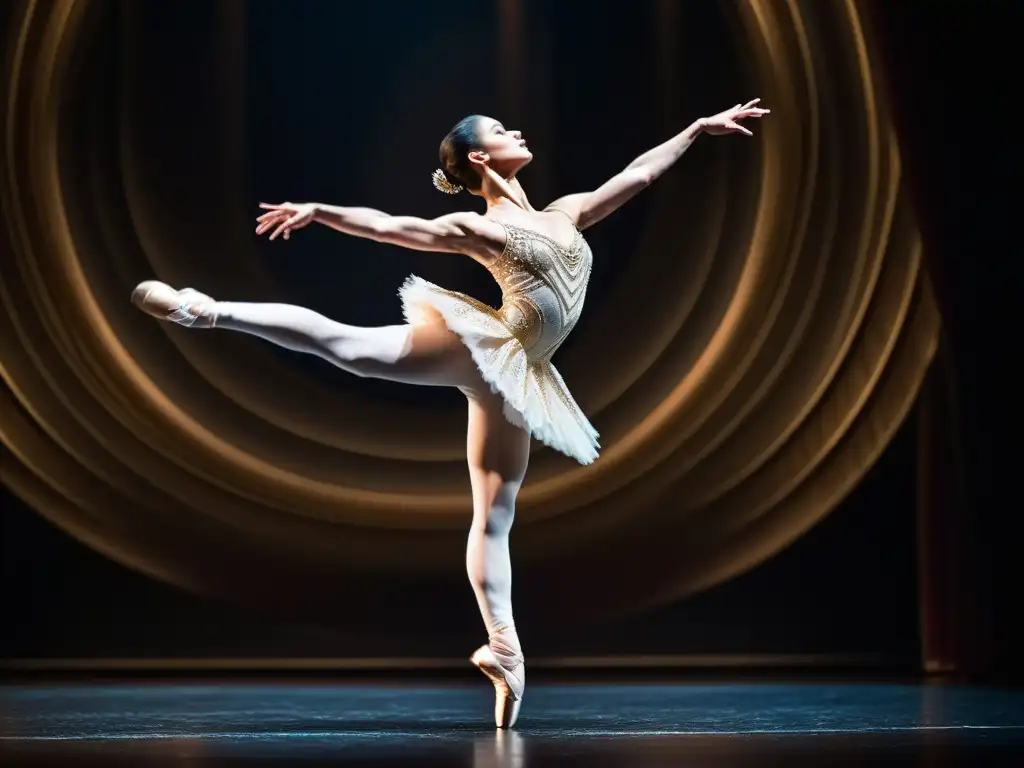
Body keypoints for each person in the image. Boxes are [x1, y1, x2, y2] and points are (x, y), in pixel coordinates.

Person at [131, 98, 769, 727]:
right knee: (347, 344)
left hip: (515, 376)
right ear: (479, 156)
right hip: (483, 344)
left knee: (496, 515)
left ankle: (506, 651)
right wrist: (319, 211)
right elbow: (389, 226)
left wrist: (695, 129)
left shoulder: (564, 213)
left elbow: (639, 174)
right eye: (501, 127)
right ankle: (204, 309)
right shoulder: (481, 227)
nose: (517, 127)